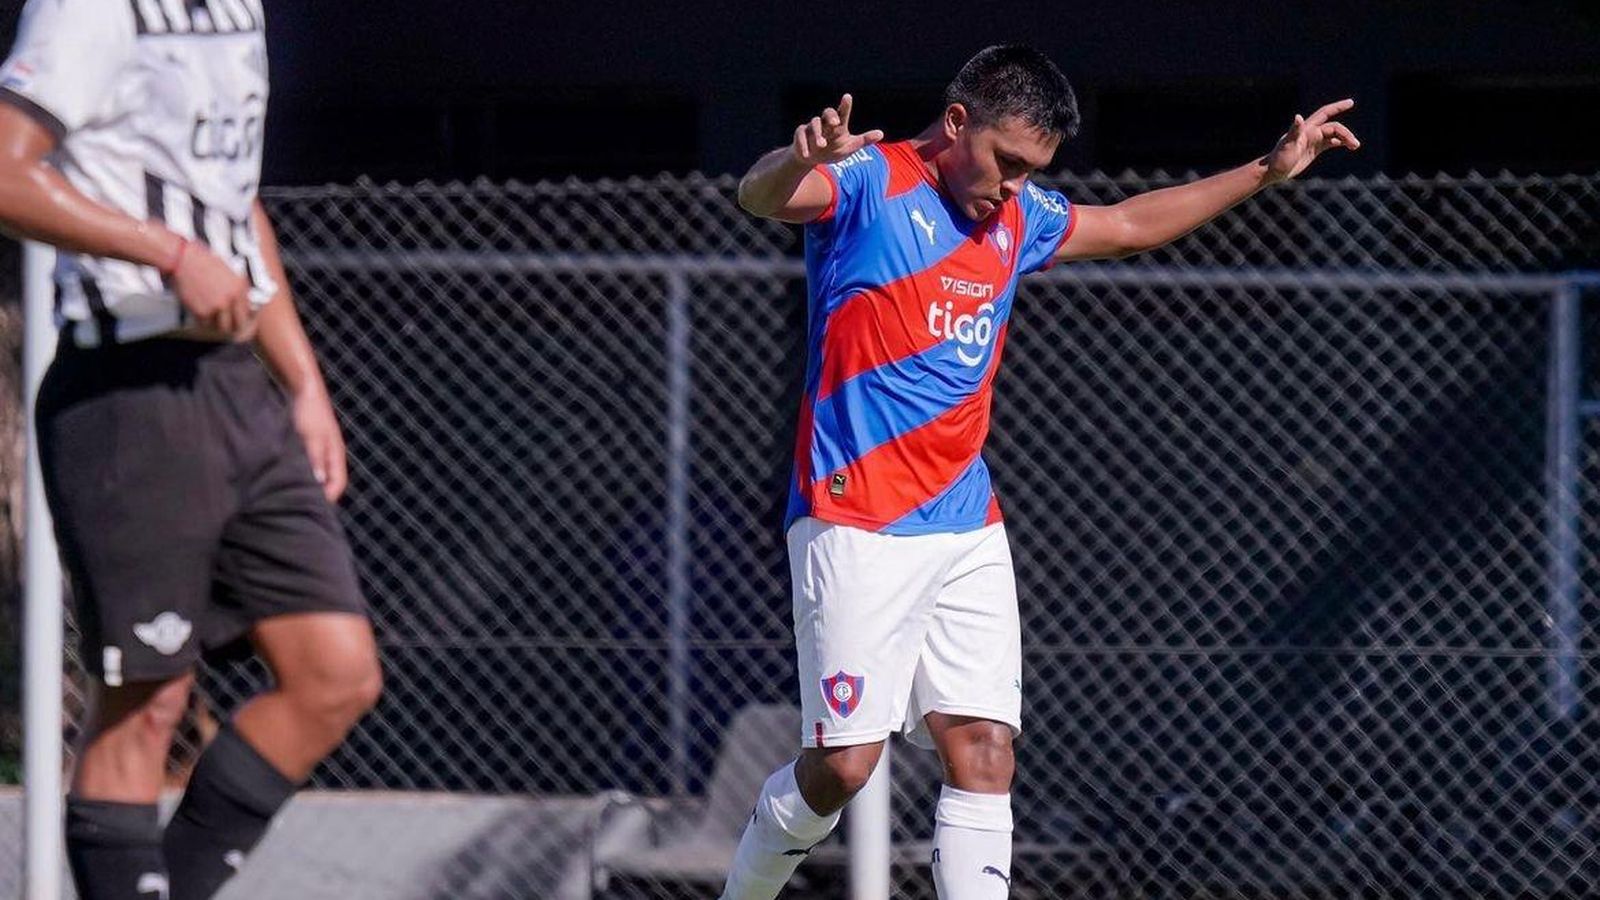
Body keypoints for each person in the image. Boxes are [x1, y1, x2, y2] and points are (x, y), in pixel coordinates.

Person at [725, 44, 1358, 898]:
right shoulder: (869, 179)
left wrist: (1265, 172)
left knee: (985, 749)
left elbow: (1131, 223)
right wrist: (793, 159)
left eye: (1034, 171)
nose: (1014, 186)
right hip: (855, 520)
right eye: (1008, 162)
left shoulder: (1016, 221)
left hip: (966, 522)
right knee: (842, 768)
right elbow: (761, 197)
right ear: (958, 123)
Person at [0, 1, 382, 897]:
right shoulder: (90, 9)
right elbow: (7, 169)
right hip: (124, 392)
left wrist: (304, 384)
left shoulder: (236, 8)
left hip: (236, 387)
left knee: (336, 673)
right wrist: (167, 253)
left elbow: (232, 202)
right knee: (149, 702)